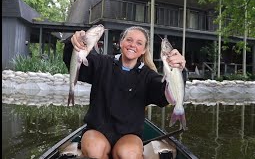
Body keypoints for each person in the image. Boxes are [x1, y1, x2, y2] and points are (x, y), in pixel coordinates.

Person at [63, 26, 186, 159]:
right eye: (129, 40)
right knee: (94, 150)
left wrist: (179, 71)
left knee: (130, 154)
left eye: (139, 43)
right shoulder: (101, 63)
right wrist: (73, 43)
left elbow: (165, 95)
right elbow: (76, 63)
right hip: (97, 130)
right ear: (121, 42)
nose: (133, 45)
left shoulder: (148, 76)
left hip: (129, 134)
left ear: (144, 50)